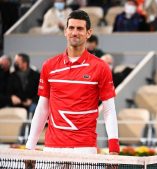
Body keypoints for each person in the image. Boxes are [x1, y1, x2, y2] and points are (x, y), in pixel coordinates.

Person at [26, 10, 120, 159]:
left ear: (89, 33)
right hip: (52, 149)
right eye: (71, 28)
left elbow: (109, 110)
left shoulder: (101, 67)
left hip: (85, 149)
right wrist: (30, 147)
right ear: (65, 31)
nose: (75, 32)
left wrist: (113, 146)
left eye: (80, 28)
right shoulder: (49, 66)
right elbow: (43, 108)